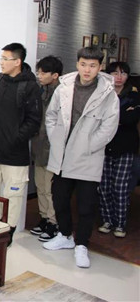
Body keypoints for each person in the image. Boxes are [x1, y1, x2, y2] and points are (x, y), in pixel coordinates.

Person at [43, 47, 119, 268]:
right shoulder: (64, 87)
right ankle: (65, 235)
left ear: (100, 67)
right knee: (59, 198)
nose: (87, 70)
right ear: (77, 64)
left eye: (92, 65)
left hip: (88, 156)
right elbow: (51, 115)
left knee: (86, 205)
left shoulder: (108, 94)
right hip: (62, 155)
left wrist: (89, 145)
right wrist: (55, 138)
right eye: (83, 64)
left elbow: (109, 126)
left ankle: (82, 245)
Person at [0, 42, 42, 246]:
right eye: (1, 58)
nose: (1, 62)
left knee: (13, 195)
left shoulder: (30, 86)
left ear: (17, 62)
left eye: (5, 59)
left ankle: (8, 231)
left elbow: (34, 121)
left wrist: (15, 138)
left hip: (15, 154)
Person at [98, 61, 140, 238]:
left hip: (125, 147)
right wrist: (120, 117)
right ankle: (107, 220)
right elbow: (97, 117)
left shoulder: (134, 95)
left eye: (123, 73)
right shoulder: (102, 93)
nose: (119, 77)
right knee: (104, 187)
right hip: (104, 146)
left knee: (120, 187)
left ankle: (120, 224)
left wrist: (112, 118)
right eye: (115, 73)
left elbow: (131, 119)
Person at [30, 56, 63, 242]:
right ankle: (44, 217)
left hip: (53, 149)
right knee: (40, 186)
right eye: (39, 72)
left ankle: (54, 222)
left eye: (43, 73)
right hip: (39, 146)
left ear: (55, 75)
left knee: (51, 189)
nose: (39, 76)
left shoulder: (62, 94)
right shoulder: (41, 91)